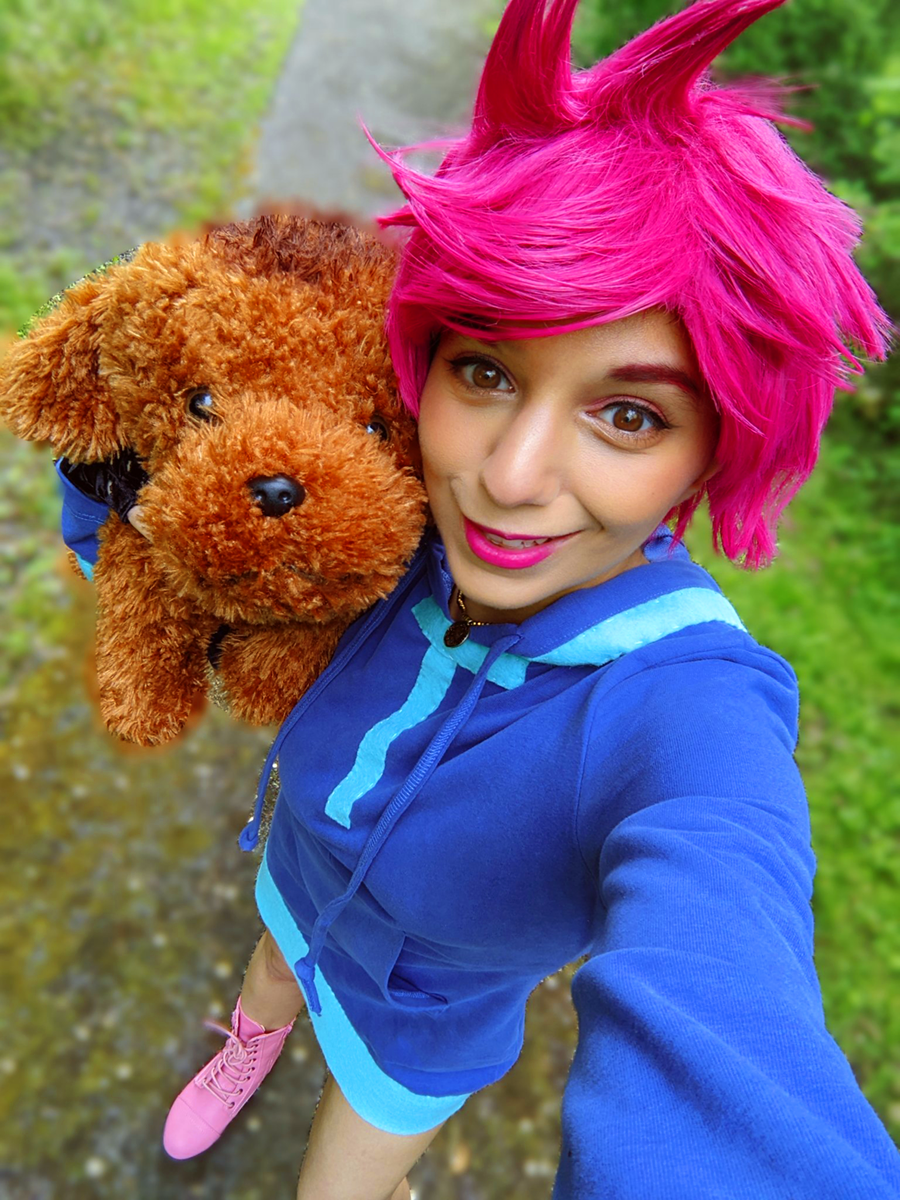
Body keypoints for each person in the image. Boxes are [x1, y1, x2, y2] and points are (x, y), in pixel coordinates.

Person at [54, 0, 900, 1196]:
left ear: (716, 449)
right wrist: (113, 468)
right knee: (270, 970)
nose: (508, 479)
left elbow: (726, 960)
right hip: (297, 879)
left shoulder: (688, 705)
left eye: (628, 413)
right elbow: (181, 541)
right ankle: (250, 1042)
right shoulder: (395, 513)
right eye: (487, 370)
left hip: (423, 1022)